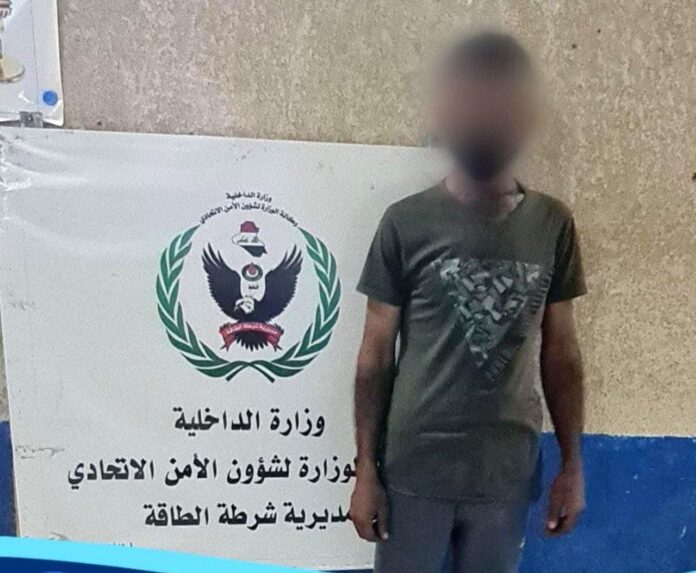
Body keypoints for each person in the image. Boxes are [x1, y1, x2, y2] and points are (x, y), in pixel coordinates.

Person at [349, 31, 587, 573]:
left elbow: (562, 354)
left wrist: (572, 466)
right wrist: (365, 470)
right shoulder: (405, 222)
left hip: (505, 474)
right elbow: (373, 358)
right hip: (414, 470)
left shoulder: (551, 224)